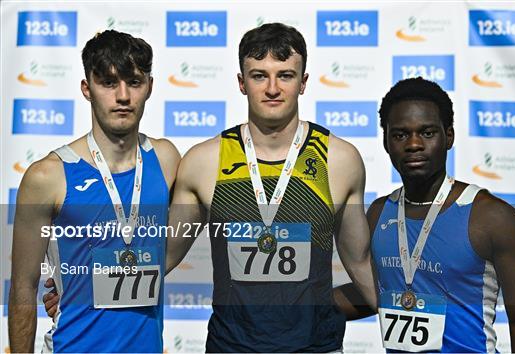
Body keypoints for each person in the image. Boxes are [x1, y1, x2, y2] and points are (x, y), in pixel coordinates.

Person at [165, 22, 377, 352]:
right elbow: (161, 256)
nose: (273, 88)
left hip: (315, 347)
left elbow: (360, 263)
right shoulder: (204, 161)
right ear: (241, 83)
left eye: (286, 75)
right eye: (259, 75)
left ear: (303, 82)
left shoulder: (339, 159)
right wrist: (80, 287)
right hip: (230, 347)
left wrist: (420, 307)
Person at [337, 77, 515, 352]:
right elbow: (369, 293)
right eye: (400, 135)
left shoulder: (492, 218)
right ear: (385, 142)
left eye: (427, 132)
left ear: (449, 136)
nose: (414, 144)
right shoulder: (379, 214)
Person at [9, 30, 181, 353]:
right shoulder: (48, 176)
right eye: (108, 82)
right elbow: (22, 287)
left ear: (150, 87)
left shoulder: (166, 160)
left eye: (134, 81)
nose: (123, 96)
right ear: (87, 89)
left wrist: (83, 287)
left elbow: (160, 253)